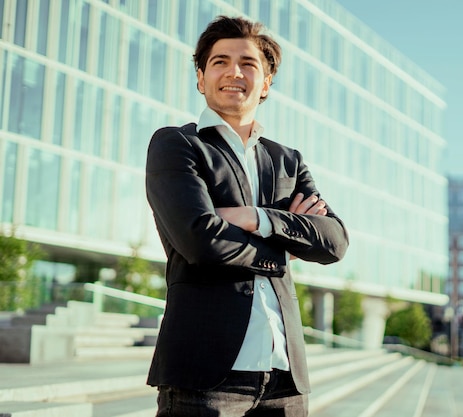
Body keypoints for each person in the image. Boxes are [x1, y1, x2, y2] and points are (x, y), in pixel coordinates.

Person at [145, 15, 349, 417]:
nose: (233, 72)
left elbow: (335, 241)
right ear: (201, 79)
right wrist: (281, 251)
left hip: (285, 378)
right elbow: (200, 240)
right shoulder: (177, 144)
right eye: (219, 62)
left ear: (267, 82)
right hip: (205, 378)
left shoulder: (287, 161)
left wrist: (258, 218)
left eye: (248, 63)